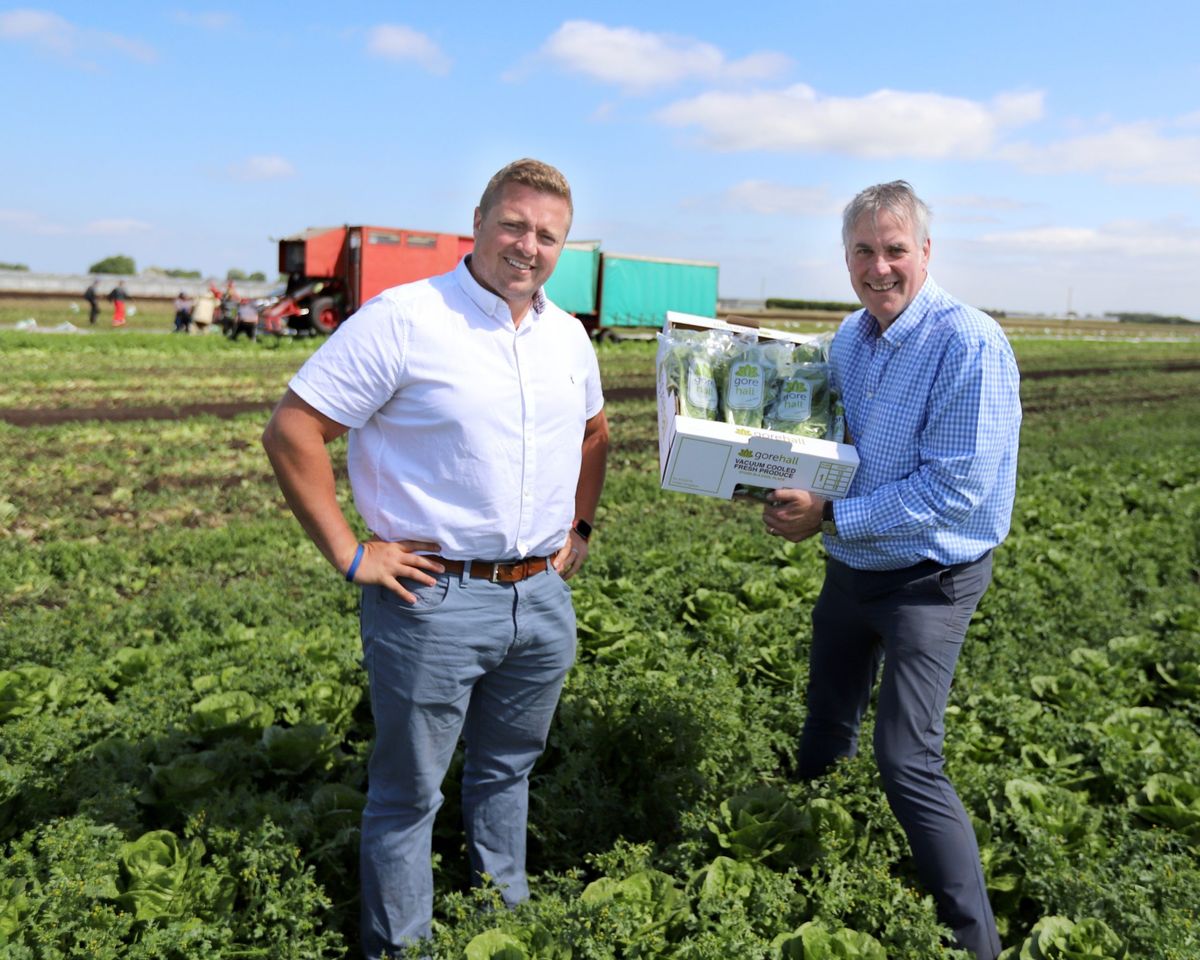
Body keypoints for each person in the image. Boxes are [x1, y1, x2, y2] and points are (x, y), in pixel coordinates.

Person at [261, 158, 609, 958]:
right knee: (408, 794)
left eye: (547, 235)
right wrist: (351, 553)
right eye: (515, 225)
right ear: (480, 221)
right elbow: (293, 431)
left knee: (508, 771)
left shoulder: (567, 335)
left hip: (540, 596)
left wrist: (580, 527)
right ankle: (401, 947)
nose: (528, 246)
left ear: (564, 247)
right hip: (434, 599)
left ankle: (502, 924)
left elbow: (595, 434)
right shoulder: (405, 318)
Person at [761, 181, 1020, 960]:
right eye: (864, 251)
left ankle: (977, 943)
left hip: (927, 584)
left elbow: (955, 488)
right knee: (825, 722)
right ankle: (806, 866)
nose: (880, 267)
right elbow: (827, 441)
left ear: (926, 253)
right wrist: (768, 475)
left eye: (895, 249)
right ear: (847, 258)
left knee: (907, 757)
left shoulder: (967, 343)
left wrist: (829, 514)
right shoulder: (851, 337)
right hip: (851, 567)